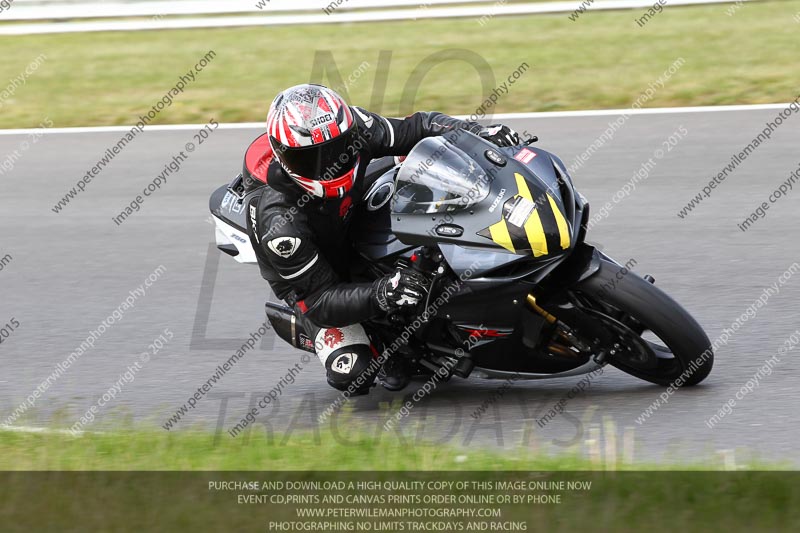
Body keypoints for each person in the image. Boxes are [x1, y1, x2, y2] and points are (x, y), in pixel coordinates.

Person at [247, 83, 520, 395]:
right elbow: (319, 300)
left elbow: (420, 126)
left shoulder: (357, 128)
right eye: (312, 159)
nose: (328, 165)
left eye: (336, 150)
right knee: (354, 371)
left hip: (344, 208)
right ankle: (385, 347)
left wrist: (478, 134)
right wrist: (383, 292)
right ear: (284, 159)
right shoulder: (280, 226)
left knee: (418, 166)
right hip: (315, 277)